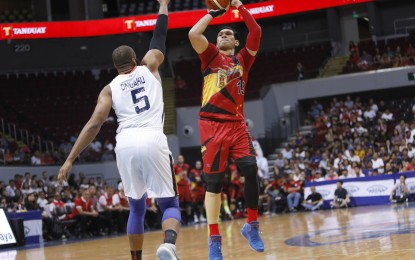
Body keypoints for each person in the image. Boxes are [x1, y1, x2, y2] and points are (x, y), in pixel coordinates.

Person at [57, 1, 181, 259]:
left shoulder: (109, 89)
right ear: (135, 60)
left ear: (116, 68)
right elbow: (160, 35)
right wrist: (163, 5)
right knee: (169, 203)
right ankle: (168, 245)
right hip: (151, 137)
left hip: (124, 144)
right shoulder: (150, 65)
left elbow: (93, 125)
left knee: (136, 208)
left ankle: (136, 258)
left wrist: (69, 160)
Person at [188, 0, 264, 258]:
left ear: (236, 43)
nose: (222, 35)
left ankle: (251, 225)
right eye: (220, 34)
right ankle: (214, 239)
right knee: (215, 184)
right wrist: (212, 13)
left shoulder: (244, 59)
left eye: (228, 34)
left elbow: (256, 32)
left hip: (236, 124)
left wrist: (240, 6)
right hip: (211, 126)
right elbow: (193, 34)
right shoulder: (209, 55)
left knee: (251, 170)